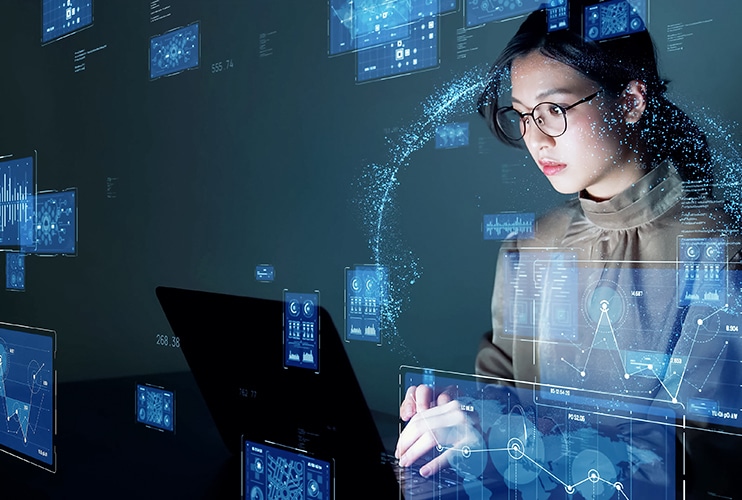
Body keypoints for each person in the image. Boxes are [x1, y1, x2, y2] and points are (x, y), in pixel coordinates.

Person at [396, 4, 742, 497]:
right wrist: (460, 411)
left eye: (553, 111)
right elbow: (502, 395)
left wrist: (499, 443)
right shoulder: (529, 246)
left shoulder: (719, 248)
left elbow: (700, 456)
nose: (534, 139)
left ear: (630, 99)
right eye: (521, 117)